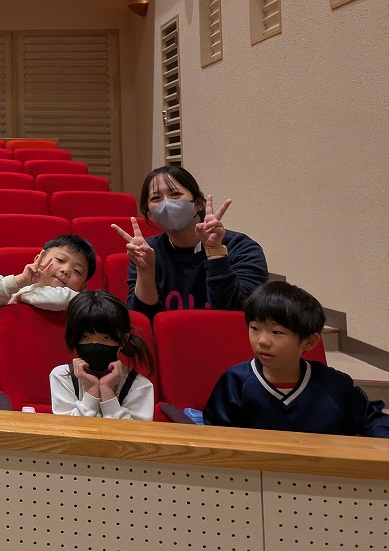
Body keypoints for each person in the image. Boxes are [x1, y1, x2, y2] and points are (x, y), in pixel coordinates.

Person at [203, 282, 389, 437]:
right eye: (255, 328)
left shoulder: (334, 384)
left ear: (310, 341)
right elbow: (216, 434)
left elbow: (372, 419)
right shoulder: (234, 382)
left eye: (277, 332)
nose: (262, 341)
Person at [115, 164, 267, 317]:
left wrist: (215, 251)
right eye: (156, 198)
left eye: (175, 194)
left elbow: (241, 313)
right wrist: (146, 272)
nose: (166, 204)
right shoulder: (146, 252)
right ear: (150, 213)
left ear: (198, 204)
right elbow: (143, 321)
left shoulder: (243, 248)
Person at [50, 291, 155, 421]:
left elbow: (133, 433)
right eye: (84, 336)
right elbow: (67, 429)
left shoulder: (139, 386)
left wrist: (107, 392)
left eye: (105, 338)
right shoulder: (62, 376)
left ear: (123, 340)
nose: (94, 345)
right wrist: (92, 391)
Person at [0, 235, 96, 311]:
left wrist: (21, 296)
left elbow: (57, 300)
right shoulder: (17, 288)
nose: (66, 270)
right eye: (60, 260)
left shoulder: (78, 302)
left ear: (83, 287)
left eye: (77, 271)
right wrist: (20, 280)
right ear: (39, 259)